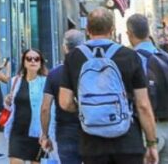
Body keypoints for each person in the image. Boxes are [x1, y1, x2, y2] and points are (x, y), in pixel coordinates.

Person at [58, 8, 159, 164]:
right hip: (128, 142)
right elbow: (143, 105)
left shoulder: (72, 57)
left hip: (91, 143)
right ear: (112, 29)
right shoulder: (130, 56)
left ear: (87, 29)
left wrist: (89, 109)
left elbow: (65, 102)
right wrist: (151, 143)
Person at [126, 14, 168, 164]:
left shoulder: (133, 59)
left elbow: (140, 102)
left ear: (129, 34)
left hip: (148, 129)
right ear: (148, 32)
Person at [41, 30, 85, 164]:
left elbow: (45, 108)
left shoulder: (54, 74)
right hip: (90, 128)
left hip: (65, 131)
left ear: (64, 47)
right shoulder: (91, 69)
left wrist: (45, 135)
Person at [4, 48, 48, 164]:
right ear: (24, 62)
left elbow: (50, 109)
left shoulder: (46, 82)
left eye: (36, 59)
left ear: (40, 62)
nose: (33, 61)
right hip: (17, 131)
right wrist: (7, 101)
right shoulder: (15, 81)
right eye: (29, 59)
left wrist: (47, 134)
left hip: (37, 132)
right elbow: (11, 107)